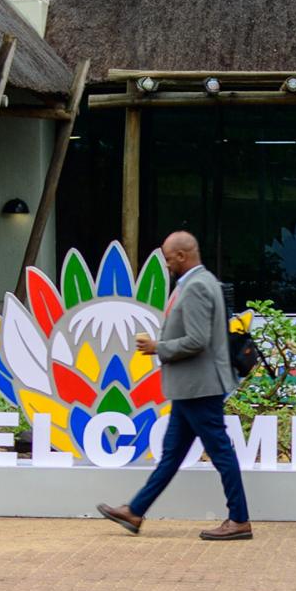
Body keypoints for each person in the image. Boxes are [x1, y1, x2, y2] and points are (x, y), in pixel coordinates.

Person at [97, 231, 253, 541]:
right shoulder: (205, 281)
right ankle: (135, 511)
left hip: (199, 385)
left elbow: (197, 340)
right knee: (172, 455)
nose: (167, 265)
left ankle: (239, 519)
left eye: (168, 259)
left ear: (181, 256)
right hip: (193, 386)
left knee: (220, 451)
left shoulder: (196, 287)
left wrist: (158, 347)